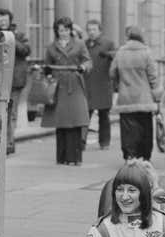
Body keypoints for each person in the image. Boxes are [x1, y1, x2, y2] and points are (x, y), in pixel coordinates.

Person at [41, 16, 91, 166]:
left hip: (74, 84)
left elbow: (87, 60)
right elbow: (47, 65)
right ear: (56, 31)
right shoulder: (51, 47)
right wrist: (48, 73)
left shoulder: (80, 44)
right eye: (60, 30)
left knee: (76, 121)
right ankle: (62, 157)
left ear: (70, 30)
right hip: (58, 86)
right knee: (61, 122)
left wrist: (83, 67)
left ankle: (75, 158)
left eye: (66, 30)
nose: (63, 33)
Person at [110, 26, 162, 161]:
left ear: (128, 37)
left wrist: (118, 85)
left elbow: (112, 72)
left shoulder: (121, 52)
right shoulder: (146, 52)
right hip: (144, 98)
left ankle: (130, 155)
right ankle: (144, 156)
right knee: (145, 128)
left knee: (128, 130)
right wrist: (157, 96)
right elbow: (153, 77)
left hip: (126, 97)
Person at [0, 8, 31, 155]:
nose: (3, 22)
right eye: (0, 19)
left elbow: (27, 50)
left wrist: (12, 40)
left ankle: (9, 143)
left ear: (10, 20)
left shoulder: (18, 35)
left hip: (15, 80)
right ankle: (0, 141)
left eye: (5, 19)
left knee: (11, 113)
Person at [84, 19, 115, 150]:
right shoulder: (84, 44)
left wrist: (108, 54)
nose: (91, 32)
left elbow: (116, 55)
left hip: (103, 83)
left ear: (100, 31)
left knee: (104, 115)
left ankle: (104, 142)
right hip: (88, 83)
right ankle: (81, 142)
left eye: (94, 29)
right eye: (89, 29)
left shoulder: (108, 43)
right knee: (85, 115)